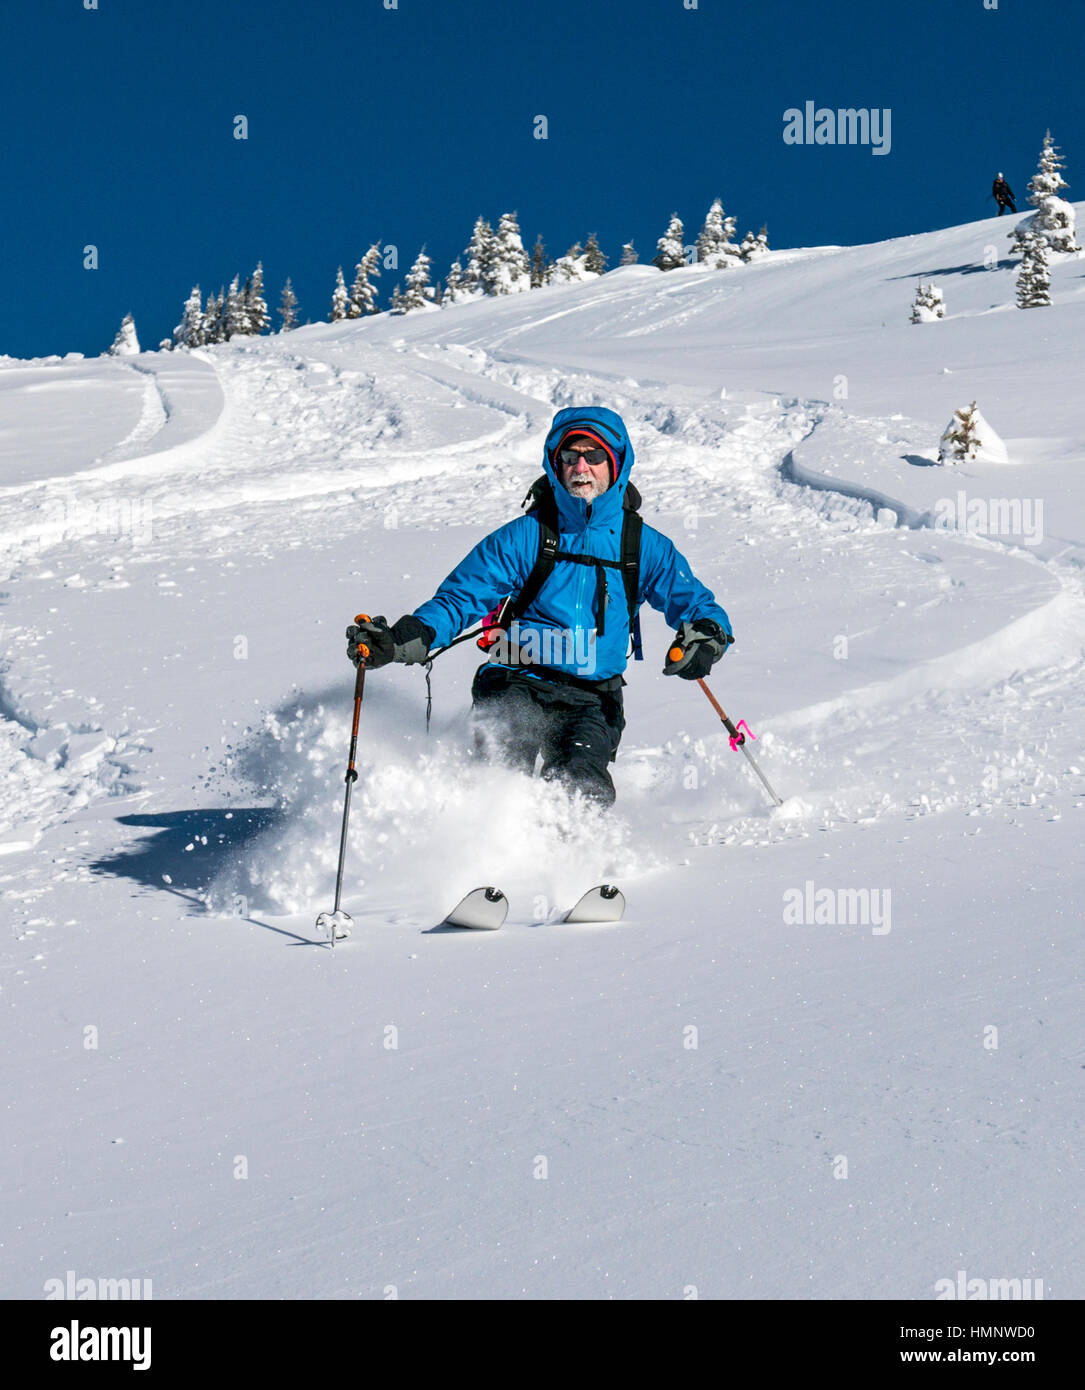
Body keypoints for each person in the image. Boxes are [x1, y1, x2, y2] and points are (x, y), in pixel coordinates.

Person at [346, 406, 732, 806]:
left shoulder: (642, 546)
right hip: (515, 680)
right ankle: (478, 856)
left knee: (580, 791)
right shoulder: (528, 536)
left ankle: (566, 862)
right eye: (570, 456)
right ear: (555, 463)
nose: (581, 466)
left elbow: (696, 603)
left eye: (593, 455)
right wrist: (407, 637)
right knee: (498, 776)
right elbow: (462, 598)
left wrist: (705, 639)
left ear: (616, 463)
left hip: (592, 699)